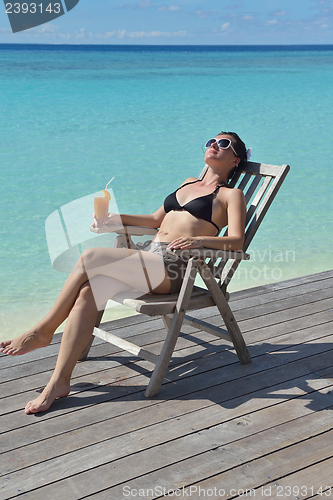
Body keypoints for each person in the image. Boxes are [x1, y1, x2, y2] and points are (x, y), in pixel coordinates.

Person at [0, 131, 248, 414]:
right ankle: (59, 382)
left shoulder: (231, 195)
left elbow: (237, 241)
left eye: (224, 144)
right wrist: (113, 220)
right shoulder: (188, 183)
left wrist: (200, 241)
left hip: (176, 266)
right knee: (88, 292)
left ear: (235, 159)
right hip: (147, 256)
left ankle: (43, 330)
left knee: (91, 256)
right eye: (211, 142)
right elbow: (155, 220)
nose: (215, 145)